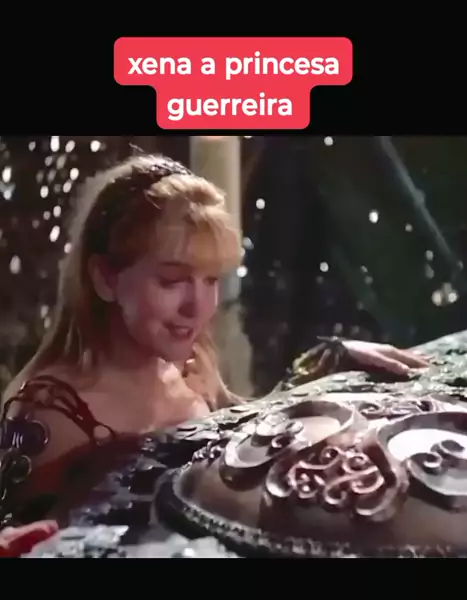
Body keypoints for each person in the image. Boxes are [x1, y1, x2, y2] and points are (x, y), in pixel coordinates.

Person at [0, 153, 428, 536]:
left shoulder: (189, 364)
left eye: (210, 280)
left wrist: (333, 360)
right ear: (104, 278)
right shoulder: (49, 416)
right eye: (172, 281)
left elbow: (251, 430)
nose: (198, 307)